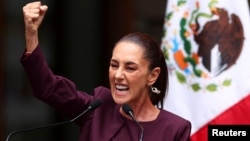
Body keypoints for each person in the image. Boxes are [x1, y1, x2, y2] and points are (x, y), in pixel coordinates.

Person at [21, 1, 191, 141]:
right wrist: (31, 33)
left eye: (130, 68)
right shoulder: (98, 108)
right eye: (114, 65)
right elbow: (47, 88)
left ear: (152, 76)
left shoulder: (174, 129)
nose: (118, 75)